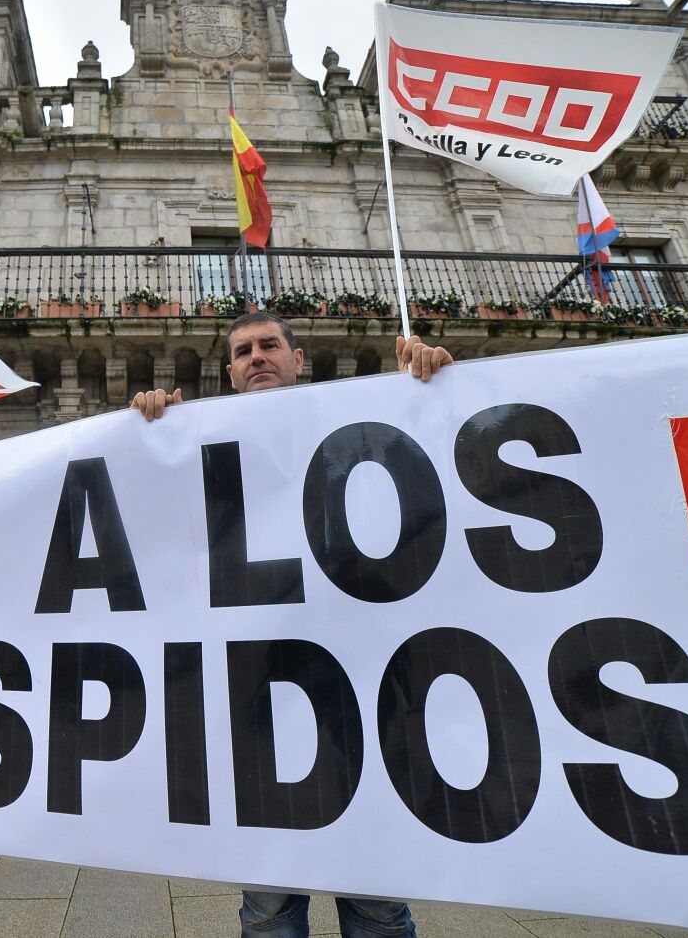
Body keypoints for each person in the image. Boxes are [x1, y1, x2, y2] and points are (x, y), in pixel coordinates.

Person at [132, 312, 452, 938]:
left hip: (363, 700)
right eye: (243, 350)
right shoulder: (199, 443)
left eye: (269, 345)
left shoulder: (358, 430)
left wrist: (432, 385)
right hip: (257, 710)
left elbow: (429, 484)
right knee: (270, 907)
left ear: (297, 359)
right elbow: (157, 536)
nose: (257, 357)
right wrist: (148, 434)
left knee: (379, 902)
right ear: (228, 372)